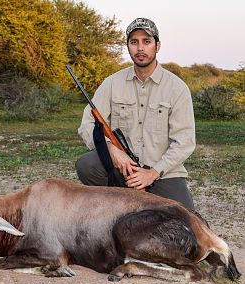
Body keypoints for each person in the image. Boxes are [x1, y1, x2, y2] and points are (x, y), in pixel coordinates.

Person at [75, 17, 196, 210]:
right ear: (128, 46)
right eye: (134, 42)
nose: (140, 48)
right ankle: (115, 206)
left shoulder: (177, 88)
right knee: (86, 164)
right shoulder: (112, 83)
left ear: (157, 46)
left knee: (186, 218)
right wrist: (111, 149)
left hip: (162, 174)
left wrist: (153, 173)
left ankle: (132, 202)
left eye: (146, 42)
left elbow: (184, 141)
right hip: (122, 170)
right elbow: (87, 124)